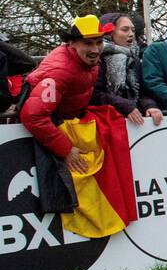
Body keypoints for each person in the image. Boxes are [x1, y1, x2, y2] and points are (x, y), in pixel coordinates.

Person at [21, 15, 111, 171]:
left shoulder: (89, 62)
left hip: (61, 130)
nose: (95, 50)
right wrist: (66, 149)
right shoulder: (61, 71)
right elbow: (33, 116)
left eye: (99, 42)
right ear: (72, 43)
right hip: (47, 139)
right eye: (88, 43)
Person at [93, 12, 162, 126]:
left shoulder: (133, 59)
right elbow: (94, 94)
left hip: (131, 124)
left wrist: (150, 106)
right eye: (125, 30)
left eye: (133, 30)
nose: (131, 34)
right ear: (109, 33)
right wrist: (124, 105)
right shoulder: (95, 58)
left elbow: (142, 92)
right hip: (102, 122)